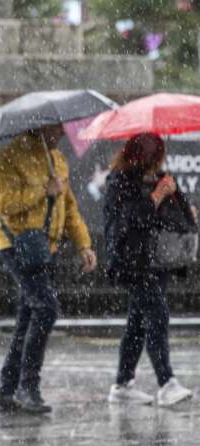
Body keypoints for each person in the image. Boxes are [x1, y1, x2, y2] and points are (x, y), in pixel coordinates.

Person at [0, 124, 97, 414]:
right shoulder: (8, 159)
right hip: (18, 246)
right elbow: (3, 203)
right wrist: (42, 190)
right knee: (46, 308)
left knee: (28, 316)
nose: (61, 133)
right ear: (39, 127)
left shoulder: (57, 160)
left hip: (46, 248)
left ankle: (7, 390)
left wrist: (83, 244)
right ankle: (28, 386)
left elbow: (70, 207)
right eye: (55, 128)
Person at [104, 133, 194, 407]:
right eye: (156, 156)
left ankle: (122, 383)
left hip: (158, 260)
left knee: (138, 322)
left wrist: (181, 204)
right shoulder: (119, 181)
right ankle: (166, 382)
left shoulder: (161, 177)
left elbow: (180, 216)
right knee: (157, 314)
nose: (159, 161)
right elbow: (132, 222)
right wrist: (156, 196)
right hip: (132, 262)